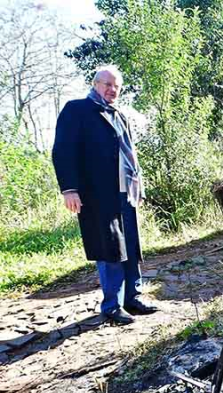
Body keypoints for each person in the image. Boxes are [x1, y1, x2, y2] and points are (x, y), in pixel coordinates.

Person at [52, 65, 157, 325]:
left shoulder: (120, 114)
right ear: (95, 84)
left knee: (130, 245)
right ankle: (111, 306)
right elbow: (63, 151)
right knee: (109, 248)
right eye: (107, 84)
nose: (112, 90)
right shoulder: (77, 110)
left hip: (126, 192)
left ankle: (132, 297)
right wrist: (69, 189)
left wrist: (138, 187)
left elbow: (130, 155)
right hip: (97, 194)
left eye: (117, 86)